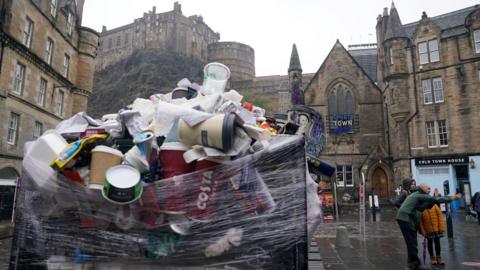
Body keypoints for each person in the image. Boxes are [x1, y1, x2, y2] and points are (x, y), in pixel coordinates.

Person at [396, 183, 461, 270]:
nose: (429, 190)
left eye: (430, 188)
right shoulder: (419, 195)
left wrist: (435, 199)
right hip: (406, 219)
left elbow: (424, 206)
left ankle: (412, 263)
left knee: (411, 242)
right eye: (428, 188)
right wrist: (453, 198)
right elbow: (433, 199)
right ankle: (415, 264)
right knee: (411, 242)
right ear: (422, 189)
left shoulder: (416, 195)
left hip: (406, 219)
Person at [418, 188, 445, 266]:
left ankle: (439, 258)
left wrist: (441, 227)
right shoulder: (421, 207)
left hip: (436, 228)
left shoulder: (434, 205)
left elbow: (440, 216)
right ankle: (432, 258)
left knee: (437, 243)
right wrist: (423, 231)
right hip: (428, 229)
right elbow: (421, 222)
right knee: (430, 243)